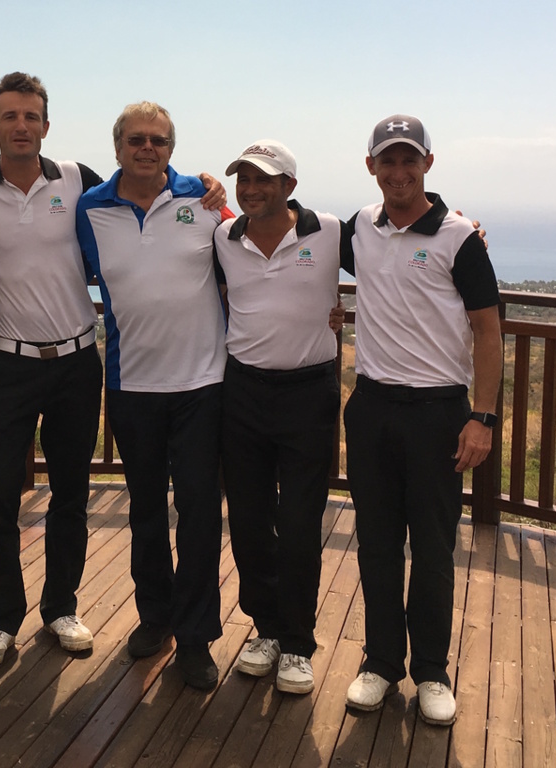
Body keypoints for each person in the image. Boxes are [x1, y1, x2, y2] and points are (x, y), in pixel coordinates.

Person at [0, 74, 225, 666]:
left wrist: (215, 187)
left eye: (31, 116)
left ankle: (62, 608)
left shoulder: (79, 182)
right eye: (10, 116)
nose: (21, 126)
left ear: (47, 125)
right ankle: (1, 620)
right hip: (12, 361)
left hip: (78, 363)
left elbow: (237, 234)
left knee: (72, 494)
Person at [342, 115, 502, 726]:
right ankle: (381, 662)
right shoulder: (359, 227)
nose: (399, 171)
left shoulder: (459, 237)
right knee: (377, 544)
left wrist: (482, 418)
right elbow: (284, 228)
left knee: (433, 548)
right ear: (371, 167)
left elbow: (488, 331)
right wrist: (212, 194)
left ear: (428, 165)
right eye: (388, 160)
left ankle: (432, 670)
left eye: (410, 159)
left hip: (439, 413)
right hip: (373, 407)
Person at [76, 102, 229, 690]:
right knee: (144, 511)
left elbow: (261, 237)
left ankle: (195, 638)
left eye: (158, 140)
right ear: (117, 147)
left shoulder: (204, 199)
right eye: (136, 139)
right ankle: (155, 618)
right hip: (131, 383)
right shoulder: (90, 208)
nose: (147, 148)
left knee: (198, 515)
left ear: (171, 147)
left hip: (202, 385)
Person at [215, 140, 342, 695]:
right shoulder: (224, 236)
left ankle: (297, 643)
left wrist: (465, 228)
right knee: (248, 521)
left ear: (289, 185)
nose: (250, 189)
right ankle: (266, 628)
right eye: (243, 179)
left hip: (308, 394)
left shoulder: (330, 231)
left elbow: (397, 245)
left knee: (298, 525)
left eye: (263, 179)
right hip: (242, 391)